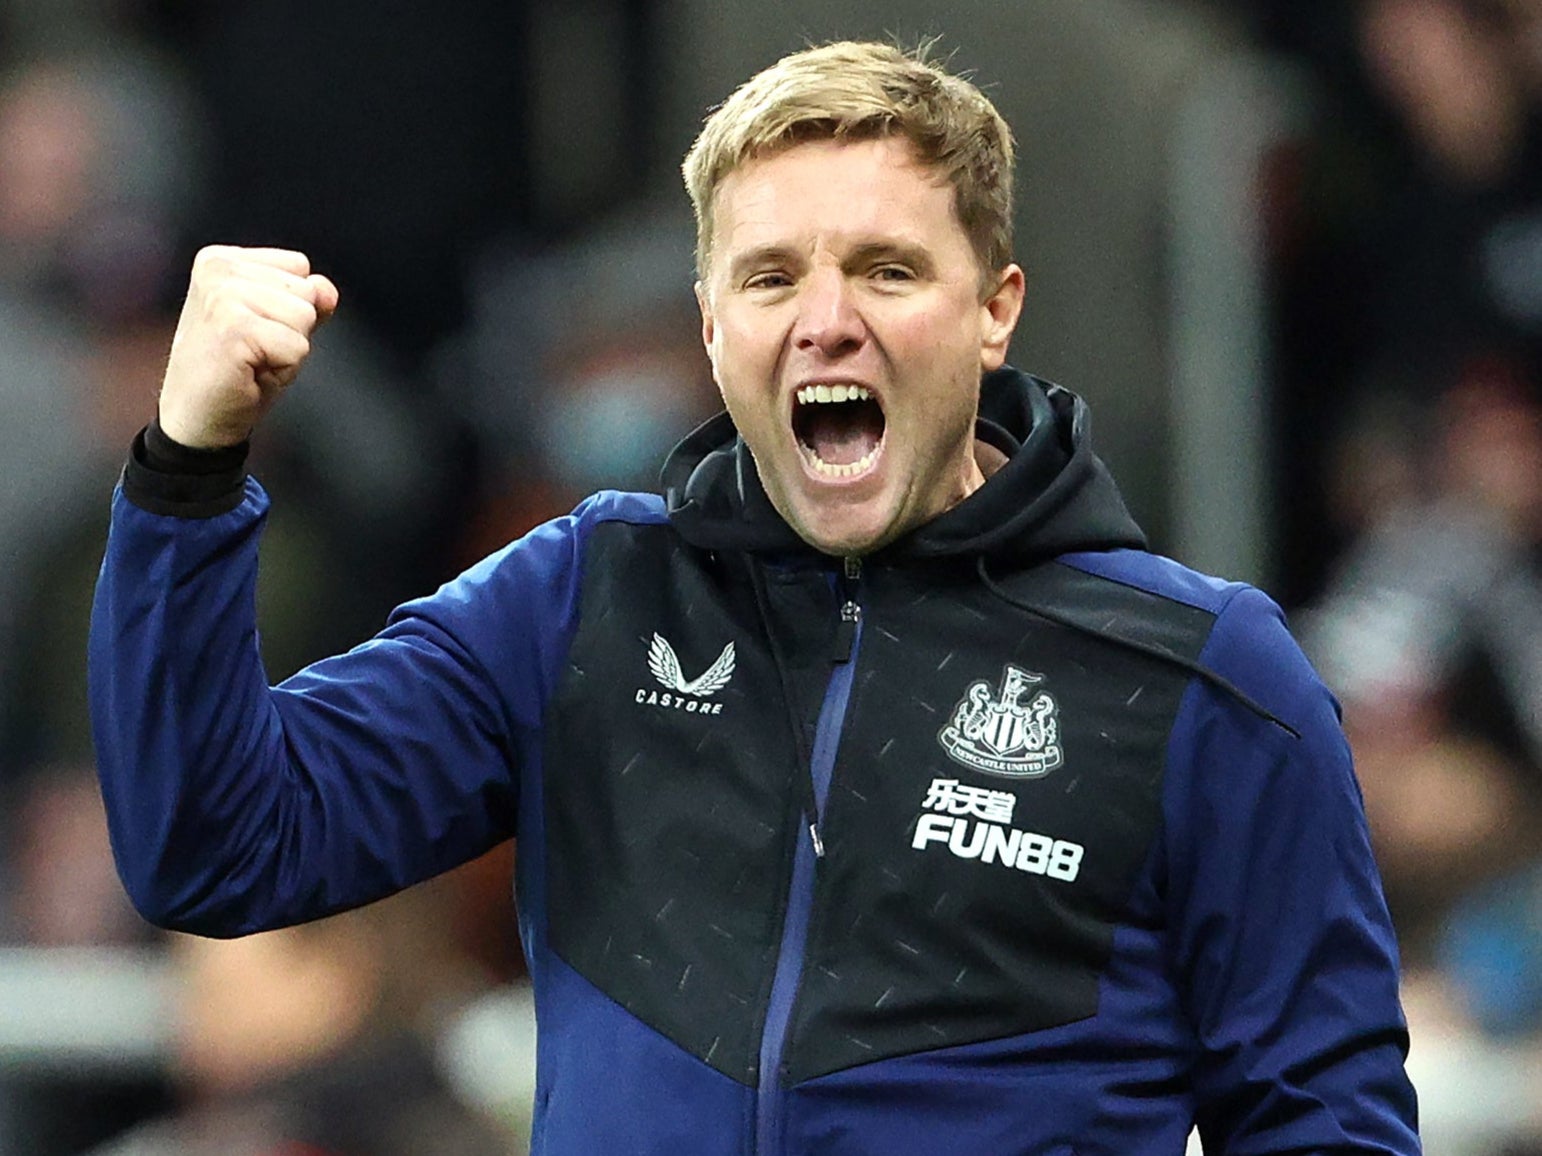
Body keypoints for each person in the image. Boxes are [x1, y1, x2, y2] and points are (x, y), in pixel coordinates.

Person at [89, 40, 1420, 1154]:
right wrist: (188, 473)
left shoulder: (1202, 675)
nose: (823, 319)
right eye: (770, 275)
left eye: (886, 270)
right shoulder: (579, 600)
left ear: (994, 309)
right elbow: (217, 843)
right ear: (712, 322)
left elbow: (1326, 1126)